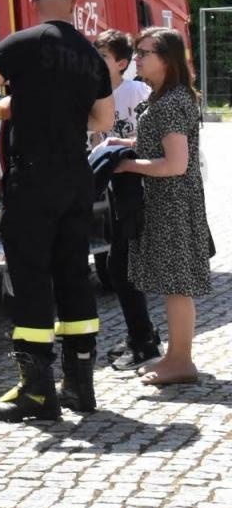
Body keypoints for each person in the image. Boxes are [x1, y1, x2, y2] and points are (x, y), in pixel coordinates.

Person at [0, 0, 113, 421]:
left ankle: (38, 390)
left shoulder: (22, 43)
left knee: (30, 279)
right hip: (75, 176)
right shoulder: (90, 55)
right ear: (73, 0)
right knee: (72, 275)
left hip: (34, 179)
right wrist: (64, 119)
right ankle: (80, 386)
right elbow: (102, 121)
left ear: (33, 0)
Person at [113, 28, 212, 386]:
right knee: (173, 286)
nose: (137, 58)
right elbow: (158, 144)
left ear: (166, 59)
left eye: (144, 52)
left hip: (172, 205)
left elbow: (175, 164)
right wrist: (126, 143)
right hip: (166, 204)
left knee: (176, 287)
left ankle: (181, 361)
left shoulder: (170, 103)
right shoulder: (165, 98)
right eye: (137, 51)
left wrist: (127, 164)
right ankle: (173, 356)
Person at [91, 30, 158, 370]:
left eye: (102, 57)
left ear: (120, 63)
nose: (96, 63)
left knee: (122, 266)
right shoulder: (97, 95)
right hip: (117, 189)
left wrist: (118, 145)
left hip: (140, 186)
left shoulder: (136, 91)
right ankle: (142, 335)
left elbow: (155, 138)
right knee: (121, 266)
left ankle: (144, 340)